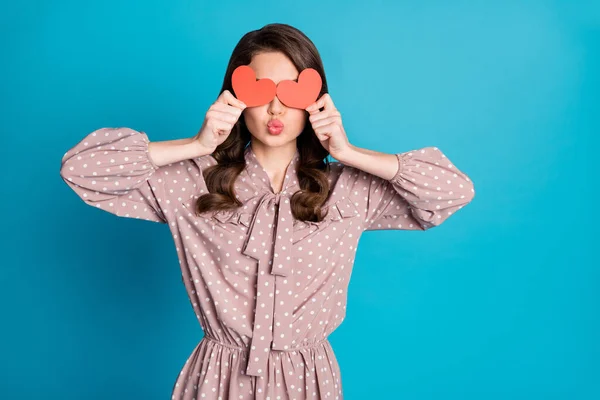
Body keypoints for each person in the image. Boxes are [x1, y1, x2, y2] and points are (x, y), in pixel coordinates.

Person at [60, 22, 475, 400]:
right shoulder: (191, 181)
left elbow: (452, 191)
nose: (276, 109)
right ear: (236, 98)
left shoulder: (348, 190)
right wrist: (197, 146)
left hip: (310, 381)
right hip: (217, 381)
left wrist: (349, 153)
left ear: (316, 100)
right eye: (260, 92)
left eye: (292, 92)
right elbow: (80, 170)